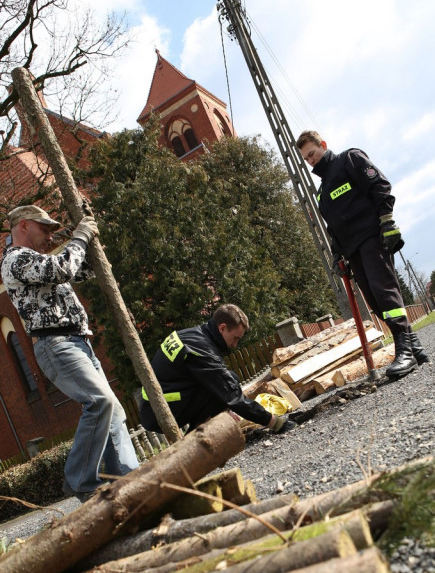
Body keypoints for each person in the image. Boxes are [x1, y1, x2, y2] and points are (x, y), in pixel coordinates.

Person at [1, 204, 139, 501]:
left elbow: (81, 270)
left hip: (77, 342)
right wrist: (80, 238)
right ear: (24, 225)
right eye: (45, 229)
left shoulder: (37, 258)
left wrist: (89, 241)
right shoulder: (15, 260)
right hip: (56, 345)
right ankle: (79, 480)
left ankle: (128, 479)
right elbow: (63, 267)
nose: (50, 236)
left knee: (113, 411)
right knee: (99, 401)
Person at [296, 131, 429, 378]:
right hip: (352, 250)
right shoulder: (321, 192)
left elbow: (380, 185)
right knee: (376, 302)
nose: (310, 161)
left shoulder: (350, 159)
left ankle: (405, 353)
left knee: (384, 292)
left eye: (312, 154)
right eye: (306, 159)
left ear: (323, 145)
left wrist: (387, 221)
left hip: (372, 237)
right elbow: (332, 227)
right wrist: (337, 255)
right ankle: (415, 347)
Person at [139, 304, 294, 434]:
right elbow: (231, 395)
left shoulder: (191, 335)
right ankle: (192, 443)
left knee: (226, 381)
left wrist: (223, 410)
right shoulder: (202, 350)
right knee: (227, 383)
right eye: (235, 338)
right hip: (160, 412)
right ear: (222, 328)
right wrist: (274, 422)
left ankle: (195, 438)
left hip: (154, 405)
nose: (235, 345)